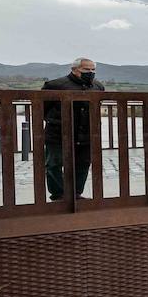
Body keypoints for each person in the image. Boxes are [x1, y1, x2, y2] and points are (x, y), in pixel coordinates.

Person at [42, 57, 104, 201]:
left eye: (93, 69)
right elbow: (43, 109)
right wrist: (55, 122)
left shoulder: (98, 87)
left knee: (83, 163)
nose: (90, 72)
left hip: (86, 134)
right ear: (74, 70)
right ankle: (59, 195)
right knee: (54, 164)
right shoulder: (55, 85)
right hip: (59, 133)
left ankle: (76, 194)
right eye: (86, 69)